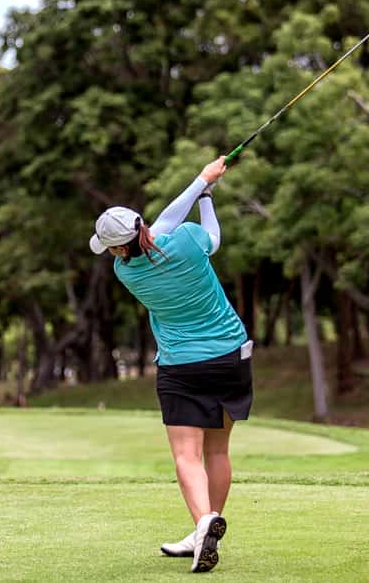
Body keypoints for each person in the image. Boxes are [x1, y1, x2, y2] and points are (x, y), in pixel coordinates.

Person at [88, 156, 252, 574]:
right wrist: (205, 191)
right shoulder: (186, 242)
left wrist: (201, 184)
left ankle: (203, 524)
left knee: (186, 454)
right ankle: (205, 526)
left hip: (181, 366)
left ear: (114, 246)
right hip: (230, 355)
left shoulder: (126, 271)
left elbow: (159, 223)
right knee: (217, 449)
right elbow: (209, 235)